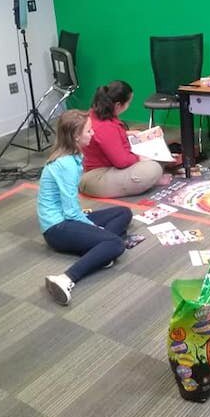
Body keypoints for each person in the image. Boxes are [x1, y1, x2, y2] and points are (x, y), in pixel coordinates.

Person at [40, 109, 133, 305]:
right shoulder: (66, 164)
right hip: (57, 228)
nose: (93, 134)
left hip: (67, 219)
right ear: (75, 136)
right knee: (116, 244)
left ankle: (99, 248)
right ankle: (65, 279)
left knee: (124, 212)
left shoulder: (72, 156)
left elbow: (71, 207)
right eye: (89, 131)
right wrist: (94, 228)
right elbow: (70, 211)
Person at [79, 80, 171, 198]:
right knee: (152, 169)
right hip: (97, 176)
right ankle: (151, 180)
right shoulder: (105, 127)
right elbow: (121, 161)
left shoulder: (99, 113)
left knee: (157, 152)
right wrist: (139, 158)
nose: (128, 106)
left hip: (107, 167)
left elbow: (106, 139)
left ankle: (149, 177)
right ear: (118, 105)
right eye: (128, 103)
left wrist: (127, 134)